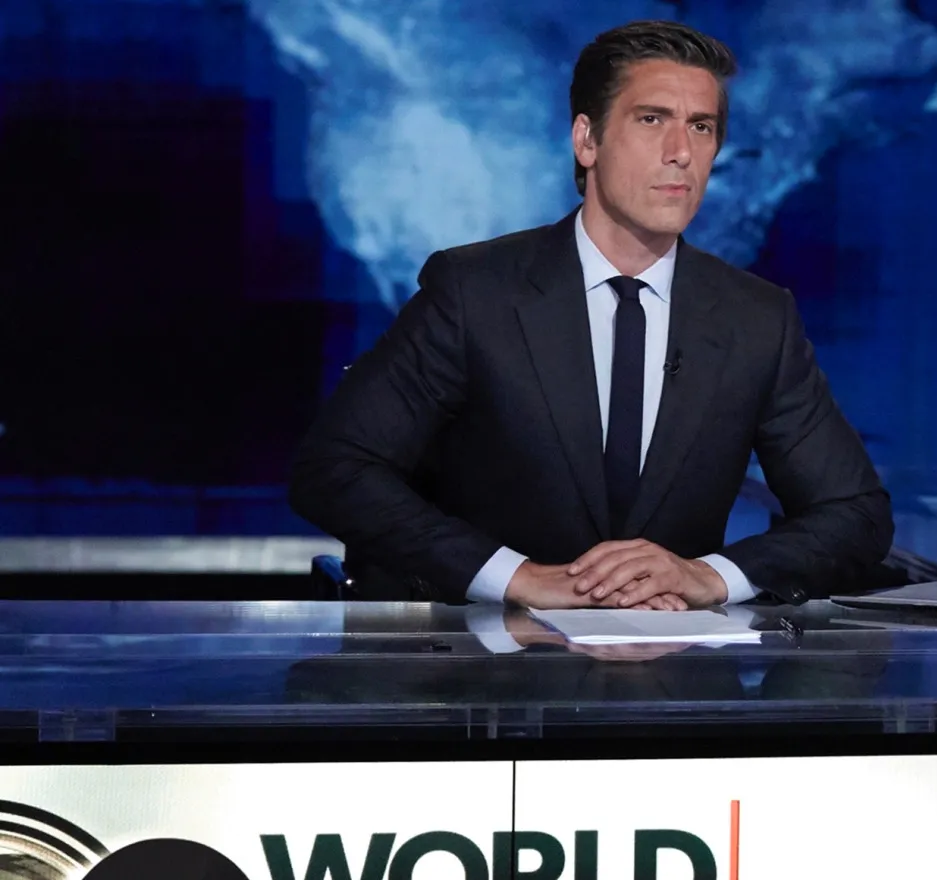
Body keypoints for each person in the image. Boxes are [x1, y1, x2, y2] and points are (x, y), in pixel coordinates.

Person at [289, 20, 893, 609]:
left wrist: (708, 577)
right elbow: (336, 469)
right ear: (587, 140)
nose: (681, 152)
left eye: (701, 127)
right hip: (487, 678)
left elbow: (855, 514)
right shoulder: (476, 292)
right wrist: (518, 578)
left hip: (675, 681)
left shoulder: (757, 318)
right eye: (651, 119)